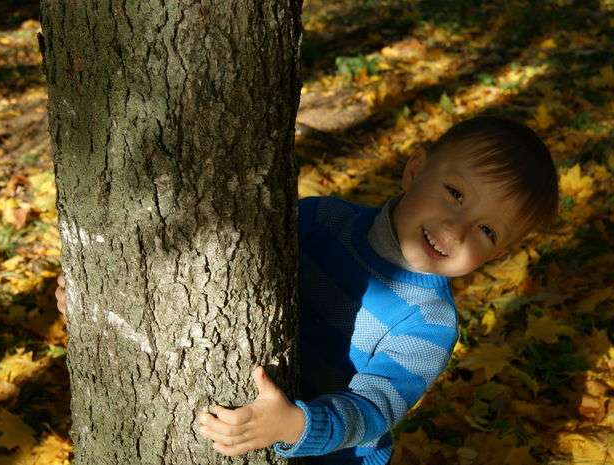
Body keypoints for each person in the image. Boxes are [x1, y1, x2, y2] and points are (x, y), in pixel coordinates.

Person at [55, 116, 559, 464]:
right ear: (414, 170)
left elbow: (375, 409)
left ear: (496, 256)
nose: (456, 230)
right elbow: (203, 278)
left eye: (488, 232)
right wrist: (105, 300)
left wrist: (296, 425)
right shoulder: (321, 220)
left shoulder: (428, 322)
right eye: (455, 194)